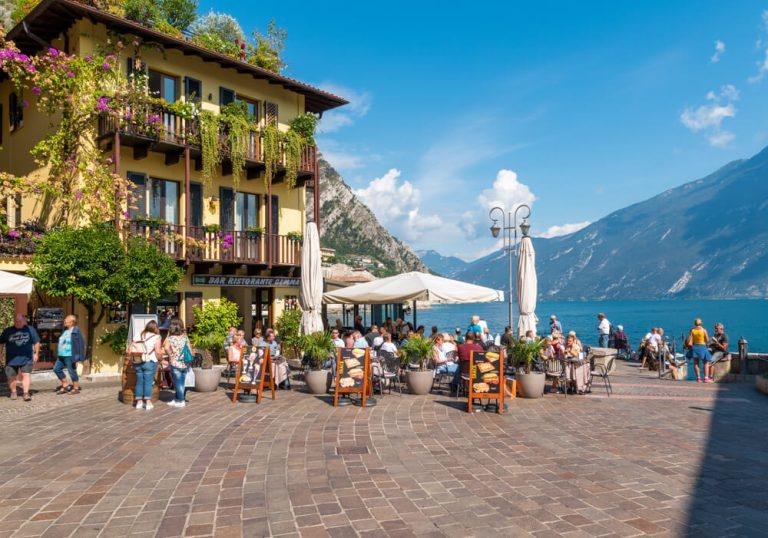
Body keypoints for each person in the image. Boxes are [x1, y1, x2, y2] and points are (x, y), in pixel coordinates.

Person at [1, 314, 40, 402]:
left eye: (19, 321)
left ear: (24, 321)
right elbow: (1, 343)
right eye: (16, 321)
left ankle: (25, 393)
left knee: (26, 374)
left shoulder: (30, 329)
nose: (17, 323)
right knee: (11, 377)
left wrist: (36, 353)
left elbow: (36, 342)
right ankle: (13, 392)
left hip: (26, 358)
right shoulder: (8, 331)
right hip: (11, 359)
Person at [53, 315, 85, 395]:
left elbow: (81, 344)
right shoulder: (65, 330)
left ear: (72, 322)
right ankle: (65, 385)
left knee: (71, 371)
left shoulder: (76, 331)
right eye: (65, 320)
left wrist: (79, 357)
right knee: (57, 369)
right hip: (61, 355)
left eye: (66, 321)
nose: (64, 322)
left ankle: (76, 388)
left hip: (70, 355)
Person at [134, 320, 162, 410]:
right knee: (148, 382)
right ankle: (148, 402)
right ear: (155, 328)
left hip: (137, 361)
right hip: (149, 361)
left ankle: (139, 402)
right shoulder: (157, 337)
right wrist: (160, 359)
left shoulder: (140, 334)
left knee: (139, 381)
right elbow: (158, 351)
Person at [163, 318, 191, 408]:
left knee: (178, 383)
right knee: (182, 382)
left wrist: (170, 356)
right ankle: (177, 399)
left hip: (175, 363)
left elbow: (166, 347)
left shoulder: (170, 338)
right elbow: (190, 350)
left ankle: (181, 400)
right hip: (185, 364)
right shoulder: (185, 337)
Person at [686, 318, 712, 383]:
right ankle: (706, 378)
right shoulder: (704, 330)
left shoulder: (692, 330)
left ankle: (698, 378)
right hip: (702, 346)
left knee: (696, 363)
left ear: (695, 323)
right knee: (706, 363)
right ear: (701, 323)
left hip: (695, 347)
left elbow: (689, 339)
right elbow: (707, 340)